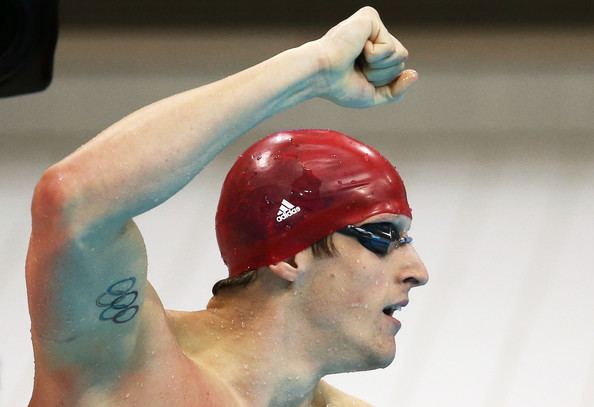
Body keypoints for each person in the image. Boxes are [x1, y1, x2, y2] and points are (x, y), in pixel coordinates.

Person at [25, 6, 428, 407]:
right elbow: (73, 200)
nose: (418, 272)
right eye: (382, 237)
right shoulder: (123, 367)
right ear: (290, 255)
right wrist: (313, 69)